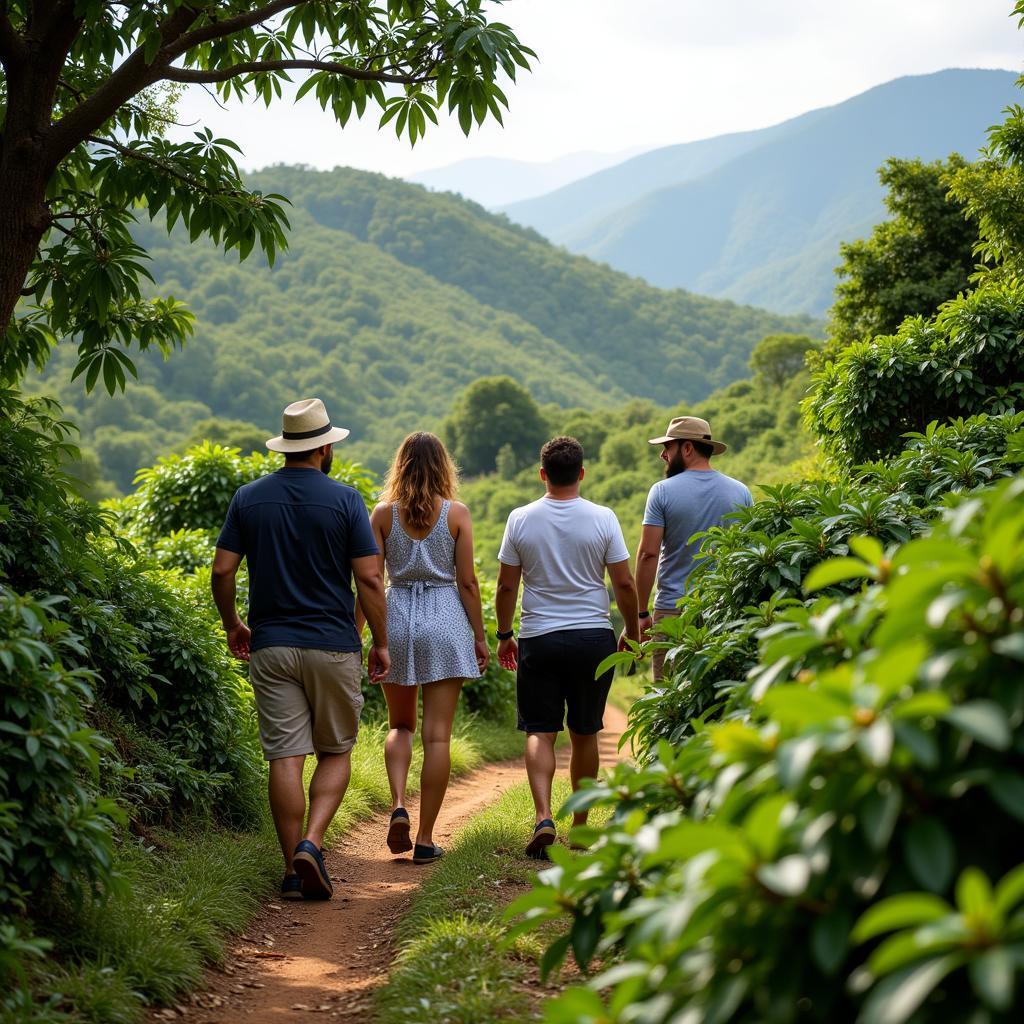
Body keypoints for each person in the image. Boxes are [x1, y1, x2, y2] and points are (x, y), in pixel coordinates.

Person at [211, 398, 390, 902]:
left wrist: (233, 624)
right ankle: (313, 842)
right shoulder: (346, 501)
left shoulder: (248, 498)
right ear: (326, 447)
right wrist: (381, 642)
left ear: (287, 446)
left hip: (270, 646)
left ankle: (293, 868)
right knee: (335, 750)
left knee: (285, 756)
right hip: (333, 645)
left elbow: (223, 571)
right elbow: (370, 579)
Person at [495, 436, 639, 860]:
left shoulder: (520, 519)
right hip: (592, 637)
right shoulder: (604, 518)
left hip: (539, 636)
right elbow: (624, 583)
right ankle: (579, 827)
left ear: (543, 474)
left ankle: (543, 816)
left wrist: (505, 635)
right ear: (581, 473)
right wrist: (631, 629)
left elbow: (507, 585)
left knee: (540, 730)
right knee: (585, 731)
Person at [359, 432, 489, 865]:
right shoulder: (456, 514)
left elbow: (370, 580)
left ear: (400, 465)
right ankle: (427, 839)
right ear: (443, 467)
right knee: (437, 737)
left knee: (400, 726)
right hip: (445, 617)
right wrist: (480, 635)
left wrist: (361, 633)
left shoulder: (382, 514)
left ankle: (398, 804)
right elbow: (468, 582)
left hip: (395, 618)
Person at [631, 416, 752, 680]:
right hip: (723, 610)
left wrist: (641, 614)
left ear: (687, 448)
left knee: (670, 699)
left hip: (673, 612)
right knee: (718, 693)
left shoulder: (661, 492)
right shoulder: (741, 492)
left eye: (668, 447)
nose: (663, 455)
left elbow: (647, 554)